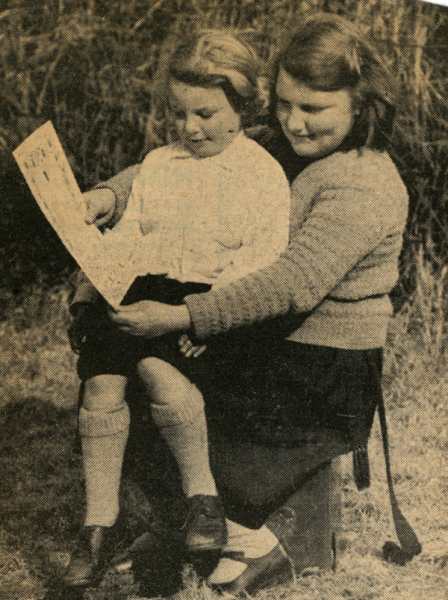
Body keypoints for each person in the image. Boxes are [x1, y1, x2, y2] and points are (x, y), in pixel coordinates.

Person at [70, 13, 420, 595]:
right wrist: (112, 194)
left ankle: (248, 538)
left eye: (314, 108)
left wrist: (186, 316)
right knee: (132, 368)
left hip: (323, 367)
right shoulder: (278, 147)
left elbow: (291, 283)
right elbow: (184, 163)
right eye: (284, 104)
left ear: (361, 105)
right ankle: (178, 518)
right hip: (267, 338)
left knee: (163, 374)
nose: (294, 122)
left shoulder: (365, 182)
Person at [63, 30, 291, 589]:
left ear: (243, 106)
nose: (191, 128)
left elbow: (263, 257)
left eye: (206, 113)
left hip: (202, 306)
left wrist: (206, 313)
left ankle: (203, 498)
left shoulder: (259, 173)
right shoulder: (160, 164)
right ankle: (97, 524)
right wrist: (95, 280)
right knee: (102, 383)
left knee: (158, 370)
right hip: (142, 290)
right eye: (179, 113)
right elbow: (132, 231)